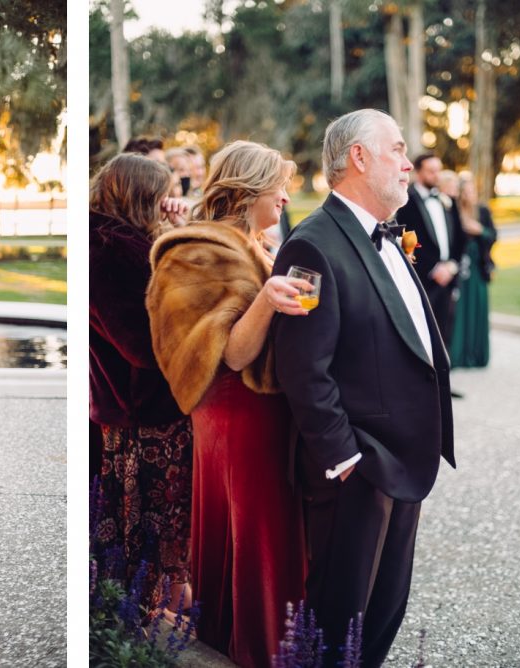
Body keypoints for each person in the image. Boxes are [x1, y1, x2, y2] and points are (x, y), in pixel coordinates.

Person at [272, 109, 456, 666]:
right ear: (358, 157)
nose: (407, 163)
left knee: (381, 616)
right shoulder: (312, 245)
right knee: (340, 621)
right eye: (396, 149)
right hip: (360, 473)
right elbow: (303, 367)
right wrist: (347, 459)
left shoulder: (386, 234)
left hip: (405, 460)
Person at [146, 140, 310, 666]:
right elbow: (234, 354)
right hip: (238, 416)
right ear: (248, 190)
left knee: (260, 528)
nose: (285, 197)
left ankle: (252, 639)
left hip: (260, 412)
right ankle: (258, 648)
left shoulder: (254, 244)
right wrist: (268, 298)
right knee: (258, 527)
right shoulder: (200, 252)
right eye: (278, 187)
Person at [89, 153, 193, 614]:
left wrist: (173, 232)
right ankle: (153, 612)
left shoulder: (124, 242)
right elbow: (142, 344)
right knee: (152, 525)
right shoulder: (112, 252)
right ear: (142, 198)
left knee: (151, 525)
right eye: (162, 195)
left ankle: (155, 605)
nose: (169, 203)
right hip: (142, 412)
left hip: (133, 407)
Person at [395, 153, 465, 347]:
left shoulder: (447, 200)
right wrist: (433, 268)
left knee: (445, 335)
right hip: (423, 280)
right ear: (418, 172)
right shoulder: (405, 203)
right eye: (431, 171)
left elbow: (460, 238)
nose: (437, 175)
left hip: (448, 279)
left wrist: (451, 266)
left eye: (438, 170)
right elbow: (407, 243)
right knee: (422, 336)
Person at [449, 174, 497, 367]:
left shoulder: (483, 211)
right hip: (460, 268)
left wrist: (480, 231)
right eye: (466, 192)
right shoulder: (454, 211)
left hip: (478, 268)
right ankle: (459, 355)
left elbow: (493, 235)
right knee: (460, 312)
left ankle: (477, 355)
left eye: (472, 191)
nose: (470, 195)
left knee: (478, 308)